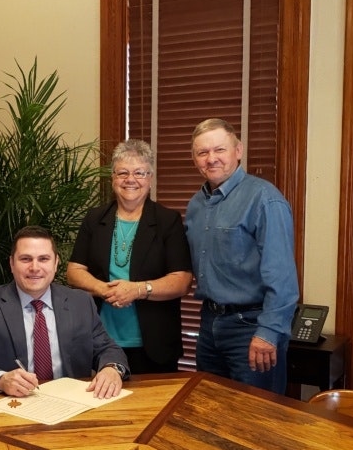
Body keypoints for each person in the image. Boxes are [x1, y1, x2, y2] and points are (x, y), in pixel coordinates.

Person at [0, 225, 129, 398]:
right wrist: (0, 380)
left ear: (56, 263)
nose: (35, 268)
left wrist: (112, 368)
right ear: (12, 264)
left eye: (43, 259)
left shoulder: (80, 302)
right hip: (12, 405)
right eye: (25, 259)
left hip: (72, 403)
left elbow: (107, 348)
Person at [186, 117, 299, 394]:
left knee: (256, 420)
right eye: (203, 152)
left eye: (219, 150)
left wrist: (268, 333)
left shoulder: (264, 199)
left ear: (239, 151)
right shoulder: (196, 205)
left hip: (252, 328)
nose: (211, 159)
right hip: (210, 325)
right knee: (210, 409)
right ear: (195, 159)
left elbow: (282, 277)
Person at [66, 139, 192, 373]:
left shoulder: (168, 221)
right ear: (113, 178)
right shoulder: (95, 219)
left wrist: (137, 290)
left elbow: (182, 280)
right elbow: (74, 271)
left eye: (139, 173)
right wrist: (103, 289)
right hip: (101, 341)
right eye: (122, 172)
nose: (130, 180)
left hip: (154, 345)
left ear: (150, 179)